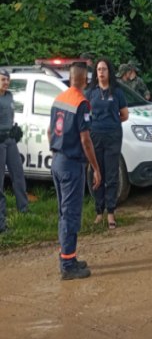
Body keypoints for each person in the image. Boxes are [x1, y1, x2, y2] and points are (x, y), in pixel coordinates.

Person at [48, 62, 101, 280]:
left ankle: (68, 256)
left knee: (64, 213)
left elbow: (50, 130)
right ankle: (68, 265)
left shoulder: (59, 99)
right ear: (84, 80)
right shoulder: (82, 103)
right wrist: (96, 168)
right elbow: (85, 140)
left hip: (58, 162)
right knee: (70, 215)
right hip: (71, 166)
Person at [85, 58, 128, 229]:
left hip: (113, 136)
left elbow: (125, 115)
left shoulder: (117, 92)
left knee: (111, 175)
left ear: (109, 72)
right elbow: (85, 114)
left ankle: (111, 212)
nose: (101, 72)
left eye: (104, 69)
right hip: (95, 137)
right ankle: (98, 212)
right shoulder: (91, 92)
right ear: (96, 73)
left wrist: (112, 122)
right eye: (98, 69)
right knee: (97, 174)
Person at [0, 69, 29, 234]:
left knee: (18, 174)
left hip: (10, 141)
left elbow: (9, 117)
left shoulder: (9, 96)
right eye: (3, 79)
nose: (6, 82)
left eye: (7, 80)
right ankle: (1, 222)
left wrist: (14, 129)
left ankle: (23, 209)